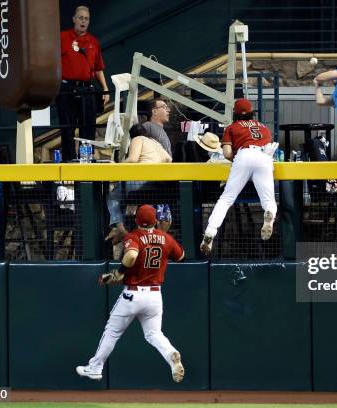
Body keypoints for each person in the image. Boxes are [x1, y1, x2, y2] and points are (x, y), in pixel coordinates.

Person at [77, 205, 185, 383]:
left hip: (133, 295)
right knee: (154, 333)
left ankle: (95, 367)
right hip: (154, 296)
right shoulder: (166, 238)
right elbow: (181, 256)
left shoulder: (134, 236)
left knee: (112, 331)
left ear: (136, 221)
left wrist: (117, 273)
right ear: (155, 220)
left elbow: (131, 256)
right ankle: (170, 354)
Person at [199, 99, 278, 255]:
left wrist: (240, 162)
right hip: (264, 156)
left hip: (244, 155)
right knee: (269, 200)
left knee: (226, 198)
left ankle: (210, 231)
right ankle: (269, 213)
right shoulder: (263, 127)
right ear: (251, 112)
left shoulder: (232, 127)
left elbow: (228, 153)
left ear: (235, 113)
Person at [58, 6, 110, 162]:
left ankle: (86, 162)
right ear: (74, 19)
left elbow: (99, 68)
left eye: (86, 19)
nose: (83, 21)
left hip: (87, 88)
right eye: (80, 18)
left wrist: (105, 89)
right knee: (67, 128)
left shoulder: (93, 41)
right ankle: (68, 162)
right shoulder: (62, 37)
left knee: (88, 127)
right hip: (67, 88)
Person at [106, 123, 172, 243]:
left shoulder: (137, 139)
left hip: (141, 183)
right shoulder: (155, 142)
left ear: (132, 136)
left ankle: (120, 228)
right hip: (159, 187)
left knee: (113, 197)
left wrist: (117, 166)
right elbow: (169, 159)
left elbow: (133, 159)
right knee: (122, 194)